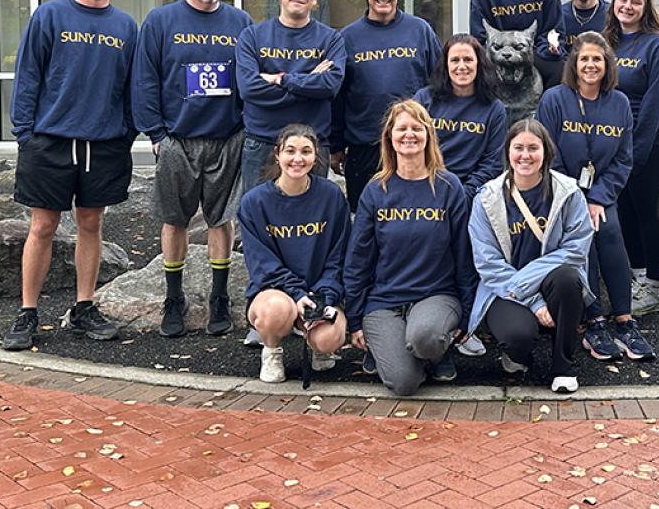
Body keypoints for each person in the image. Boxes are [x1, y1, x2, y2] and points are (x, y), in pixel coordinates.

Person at [2, 0, 137, 351]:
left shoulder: (127, 26)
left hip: (104, 143)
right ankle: (28, 313)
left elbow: (132, 86)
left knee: (91, 223)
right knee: (42, 226)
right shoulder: (50, 15)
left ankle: (83, 307)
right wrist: (25, 134)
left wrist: (126, 132)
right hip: (51, 141)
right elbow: (28, 75)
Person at [133, 0, 253, 339]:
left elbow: (250, 79)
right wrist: (155, 134)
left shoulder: (240, 22)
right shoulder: (161, 21)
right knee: (175, 220)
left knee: (221, 220)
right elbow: (145, 78)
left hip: (226, 138)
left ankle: (219, 297)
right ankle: (174, 298)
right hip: (177, 140)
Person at [344, 100, 476, 397]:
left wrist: (467, 314)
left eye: (417, 128)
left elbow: (464, 254)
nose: (409, 135)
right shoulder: (376, 190)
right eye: (401, 129)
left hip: (436, 295)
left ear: (428, 135)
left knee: (425, 337)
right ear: (389, 137)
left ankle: (436, 350)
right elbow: (359, 259)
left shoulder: (448, 186)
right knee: (404, 384)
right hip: (385, 301)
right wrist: (354, 319)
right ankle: (394, 351)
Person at [536, 32, 653, 361]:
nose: (590, 65)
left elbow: (623, 159)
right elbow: (547, 154)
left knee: (611, 230)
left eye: (597, 59)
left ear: (607, 65)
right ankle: (595, 320)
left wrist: (599, 197)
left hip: (601, 192)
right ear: (574, 63)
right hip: (560, 192)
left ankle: (625, 321)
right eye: (584, 58)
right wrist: (576, 199)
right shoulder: (554, 99)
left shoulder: (619, 104)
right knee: (582, 234)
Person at [468, 119, 594, 393]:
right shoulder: (487, 199)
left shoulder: (569, 193)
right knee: (517, 337)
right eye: (518, 148)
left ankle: (563, 367)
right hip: (505, 289)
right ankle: (516, 354)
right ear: (508, 152)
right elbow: (488, 264)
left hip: (553, 285)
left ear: (546, 152)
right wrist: (535, 302)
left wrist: (532, 284)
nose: (525, 155)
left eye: (533, 148)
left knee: (567, 278)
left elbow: (575, 249)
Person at [237, 123, 350, 383]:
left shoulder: (331, 196)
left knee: (329, 338)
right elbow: (263, 265)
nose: (297, 159)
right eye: (290, 151)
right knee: (278, 310)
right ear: (278, 154)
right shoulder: (254, 202)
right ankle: (272, 350)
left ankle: (317, 347)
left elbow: (339, 255)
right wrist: (298, 295)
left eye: (306, 152)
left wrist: (323, 297)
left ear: (315, 156)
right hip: (276, 292)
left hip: (320, 290)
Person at [331, 0, 441, 212]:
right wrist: (336, 145)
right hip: (364, 147)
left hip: (413, 144)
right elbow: (337, 97)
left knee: (415, 215)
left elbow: (440, 86)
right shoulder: (346, 37)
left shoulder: (421, 31)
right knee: (365, 220)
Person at [603, 0, 659, 315]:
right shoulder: (610, 42)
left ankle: (653, 285)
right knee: (624, 211)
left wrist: (637, 150)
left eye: (636, 1)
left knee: (647, 210)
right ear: (614, 3)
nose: (628, 7)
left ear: (646, 7)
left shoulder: (658, 45)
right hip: (615, 141)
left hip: (651, 140)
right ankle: (636, 280)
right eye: (623, 0)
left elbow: (657, 103)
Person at [236, 0, 346, 191]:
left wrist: (281, 79)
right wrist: (309, 82)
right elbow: (249, 88)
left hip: (312, 146)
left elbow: (330, 85)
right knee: (257, 220)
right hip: (262, 143)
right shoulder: (252, 36)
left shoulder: (331, 39)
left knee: (311, 221)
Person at [413, 34, 507, 206]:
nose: (462, 66)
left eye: (468, 60)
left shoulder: (494, 109)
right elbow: (409, 149)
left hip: (470, 197)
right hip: (424, 189)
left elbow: (492, 165)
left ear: (479, 64)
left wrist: (463, 195)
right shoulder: (424, 99)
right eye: (455, 60)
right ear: (445, 65)